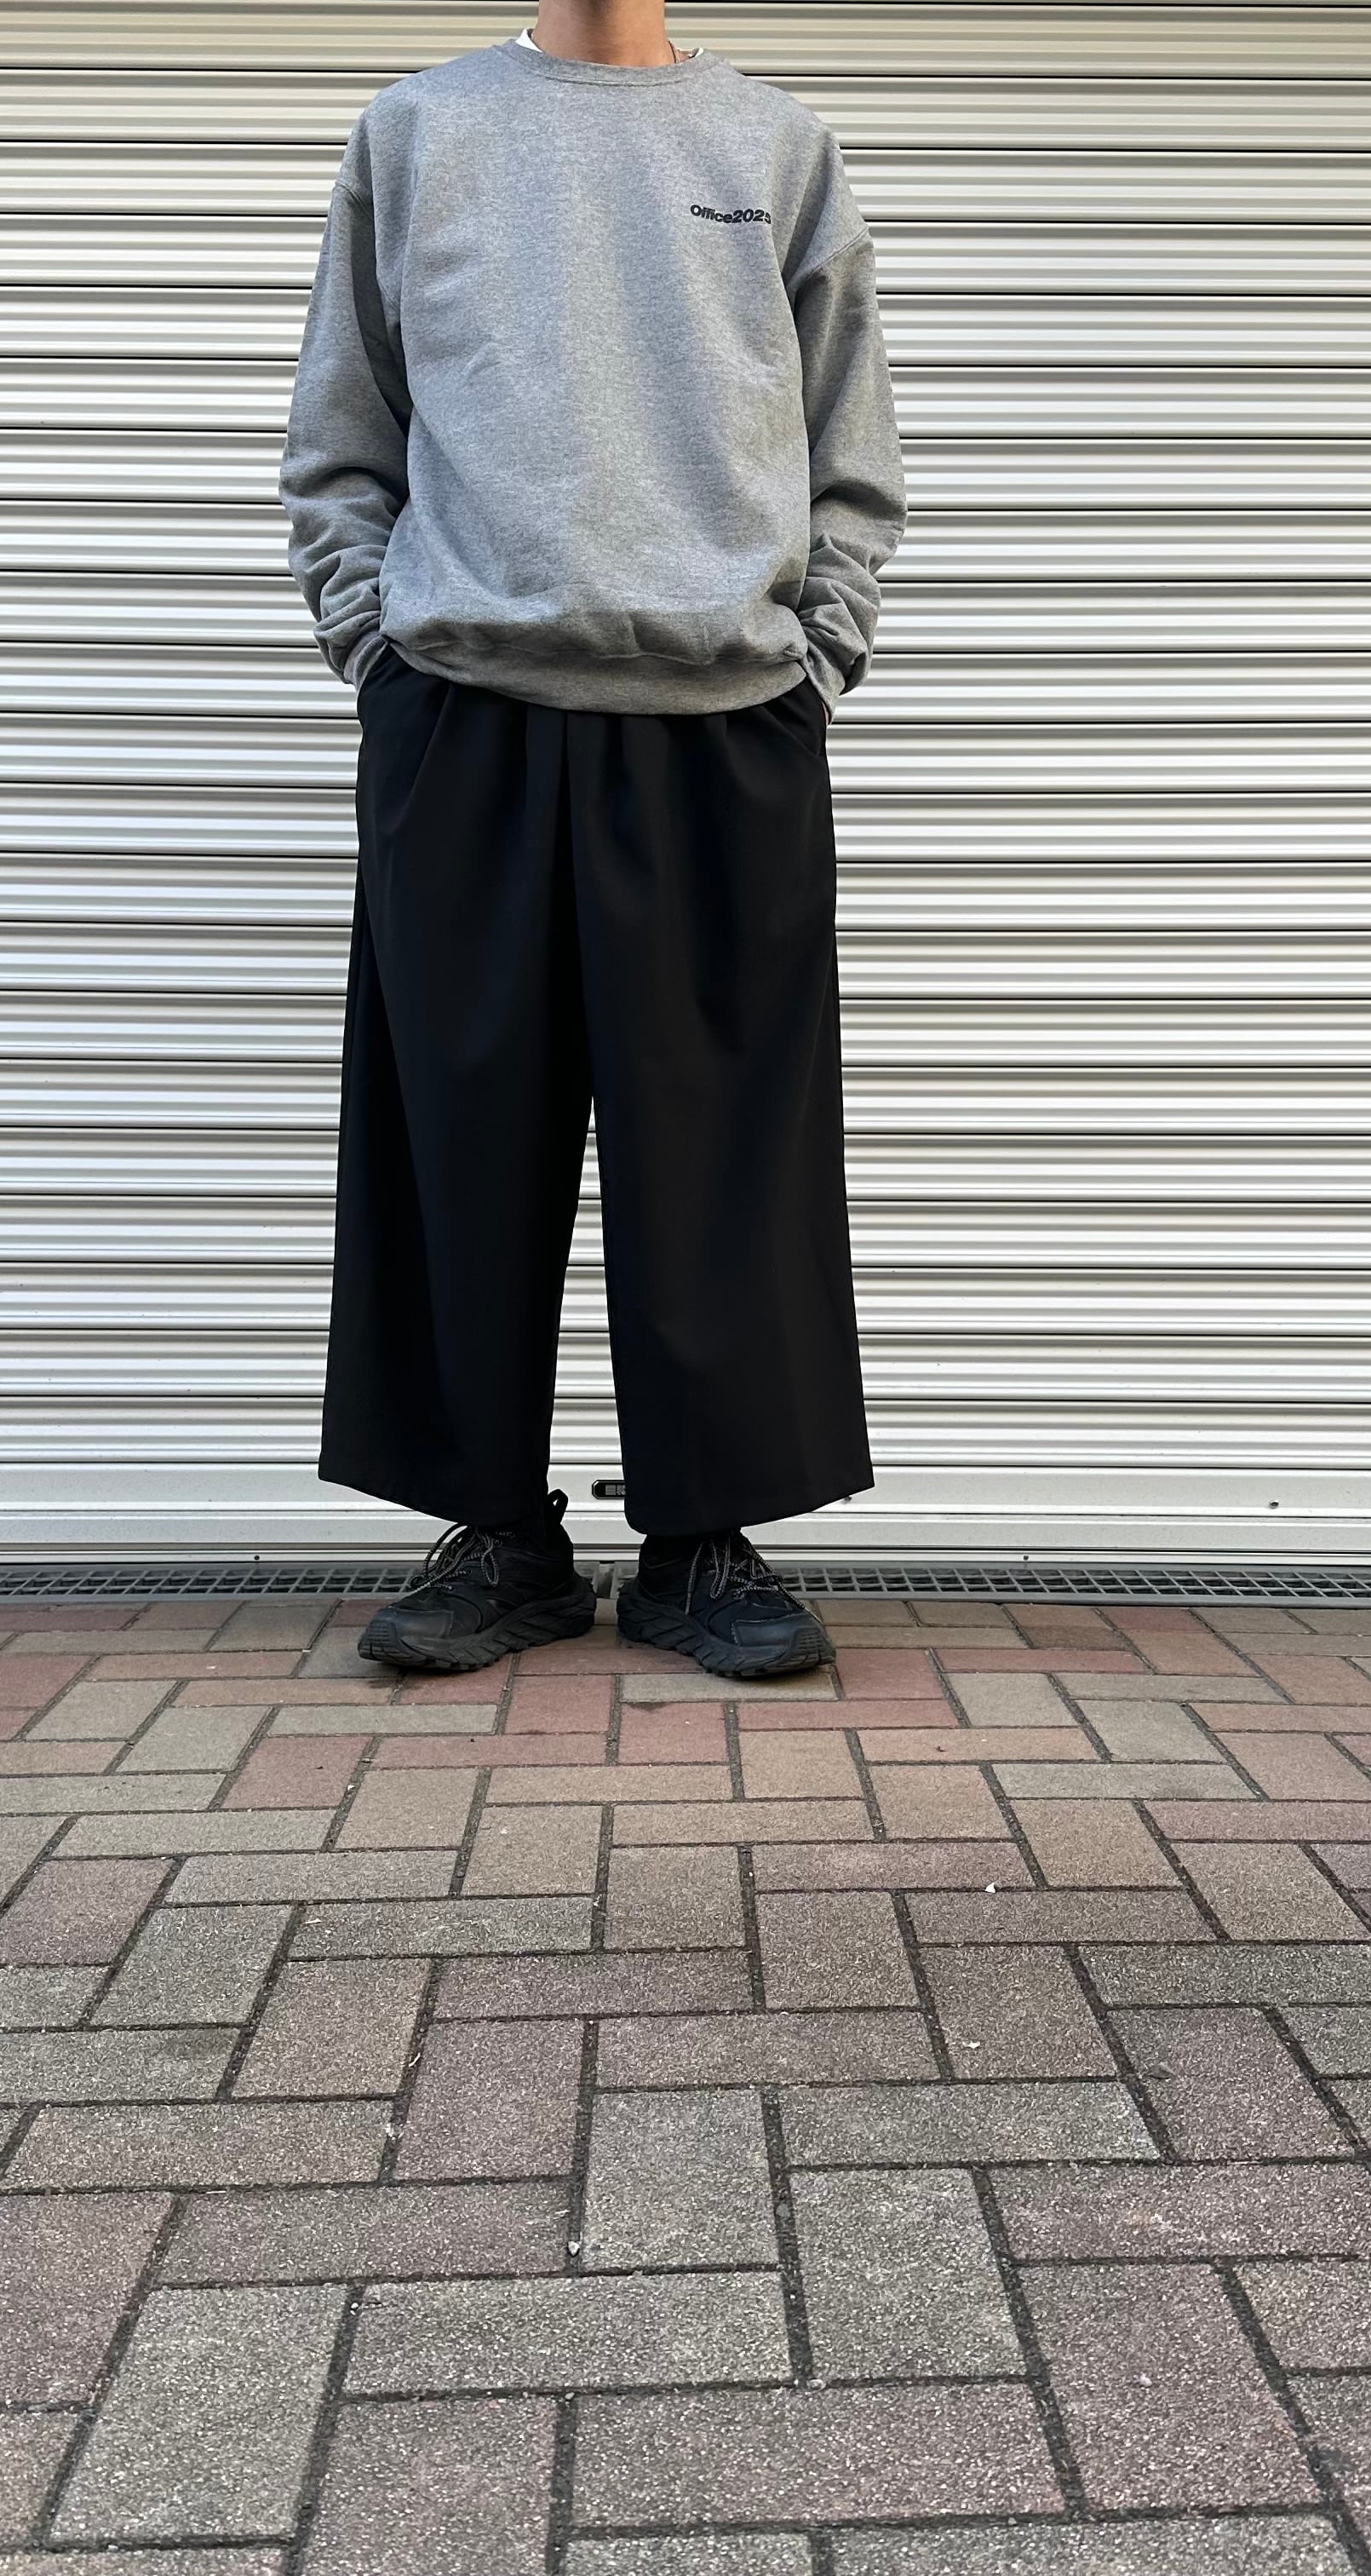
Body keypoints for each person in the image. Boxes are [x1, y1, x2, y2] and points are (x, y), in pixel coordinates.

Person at [280, 0, 905, 1680]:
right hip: (465, 706)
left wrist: (815, 650)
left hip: (724, 710)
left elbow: (849, 440)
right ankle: (498, 1534)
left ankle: (704, 1542)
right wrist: (379, 652)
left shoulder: (772, 144)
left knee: (729, 1144)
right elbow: (344, 436)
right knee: (453, 1135)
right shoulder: (417, 133)